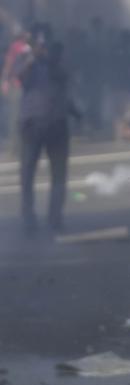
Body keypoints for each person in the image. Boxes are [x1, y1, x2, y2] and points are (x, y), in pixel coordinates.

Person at [16, 25, 79, 236]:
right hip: (32, 123)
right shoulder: (26, 59)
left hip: (57, 123)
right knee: (27, 174)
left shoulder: (58, 59)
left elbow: (63, 77)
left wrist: (49, 58)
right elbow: (20, 78)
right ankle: (28, 218)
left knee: (59, 175)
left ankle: (55, 217)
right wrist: (33, 58)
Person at [2, 27, 29, 159]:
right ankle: (20, 147)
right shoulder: (25, 47)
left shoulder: (17, 47)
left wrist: (5, 81)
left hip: (20, 87)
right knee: (21, 116)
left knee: (16, 116)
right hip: (25, 87)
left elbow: (8, 65)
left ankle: (16, 148)